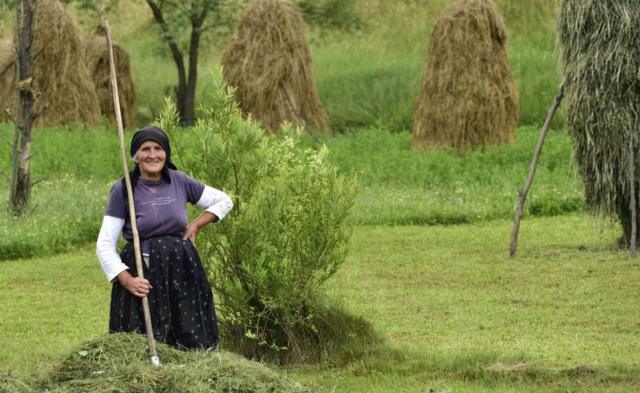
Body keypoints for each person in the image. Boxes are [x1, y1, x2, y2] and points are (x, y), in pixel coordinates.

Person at [96, 126, 233, 350]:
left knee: (189, 333)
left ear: (166, 153)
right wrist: (127, 280)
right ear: (135, 156)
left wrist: (197, 224)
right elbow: (104, 244)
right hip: (143, 271)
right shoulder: (124, 189)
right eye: (145, 149)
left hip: (182, 269)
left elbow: (224, 201)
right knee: (142, 340)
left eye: (158, 148)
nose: (152, 154)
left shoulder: (180, 181)